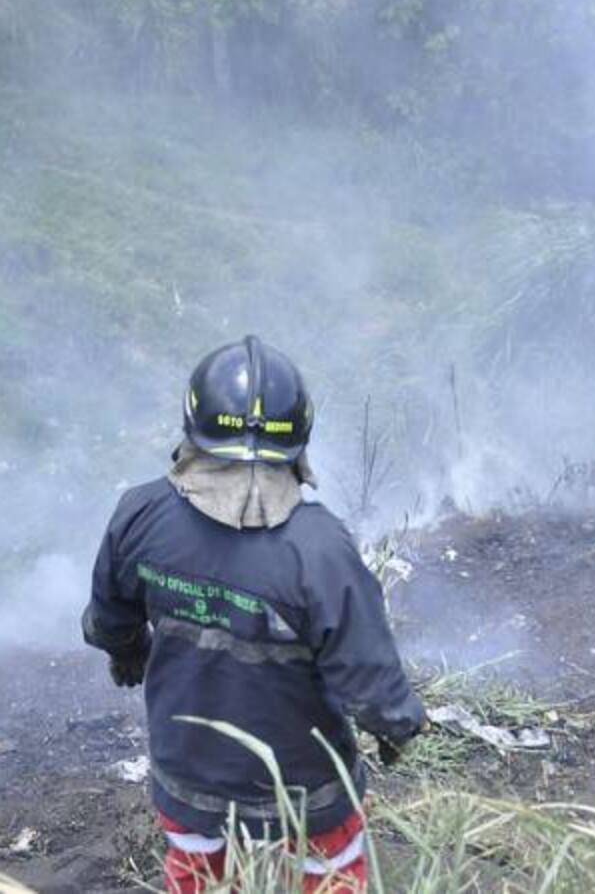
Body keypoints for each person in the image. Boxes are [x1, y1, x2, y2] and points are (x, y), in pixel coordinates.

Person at [82, 335, 425, 893]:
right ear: (298, 438)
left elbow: (109, 617)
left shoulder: (140, 514)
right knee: (329, 876)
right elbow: (366, 672)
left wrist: (127, 652)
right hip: (307, 794)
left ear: (194, 424)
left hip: (189, 780)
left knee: (197, 875)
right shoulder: (319, 548)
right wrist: (396, 726)